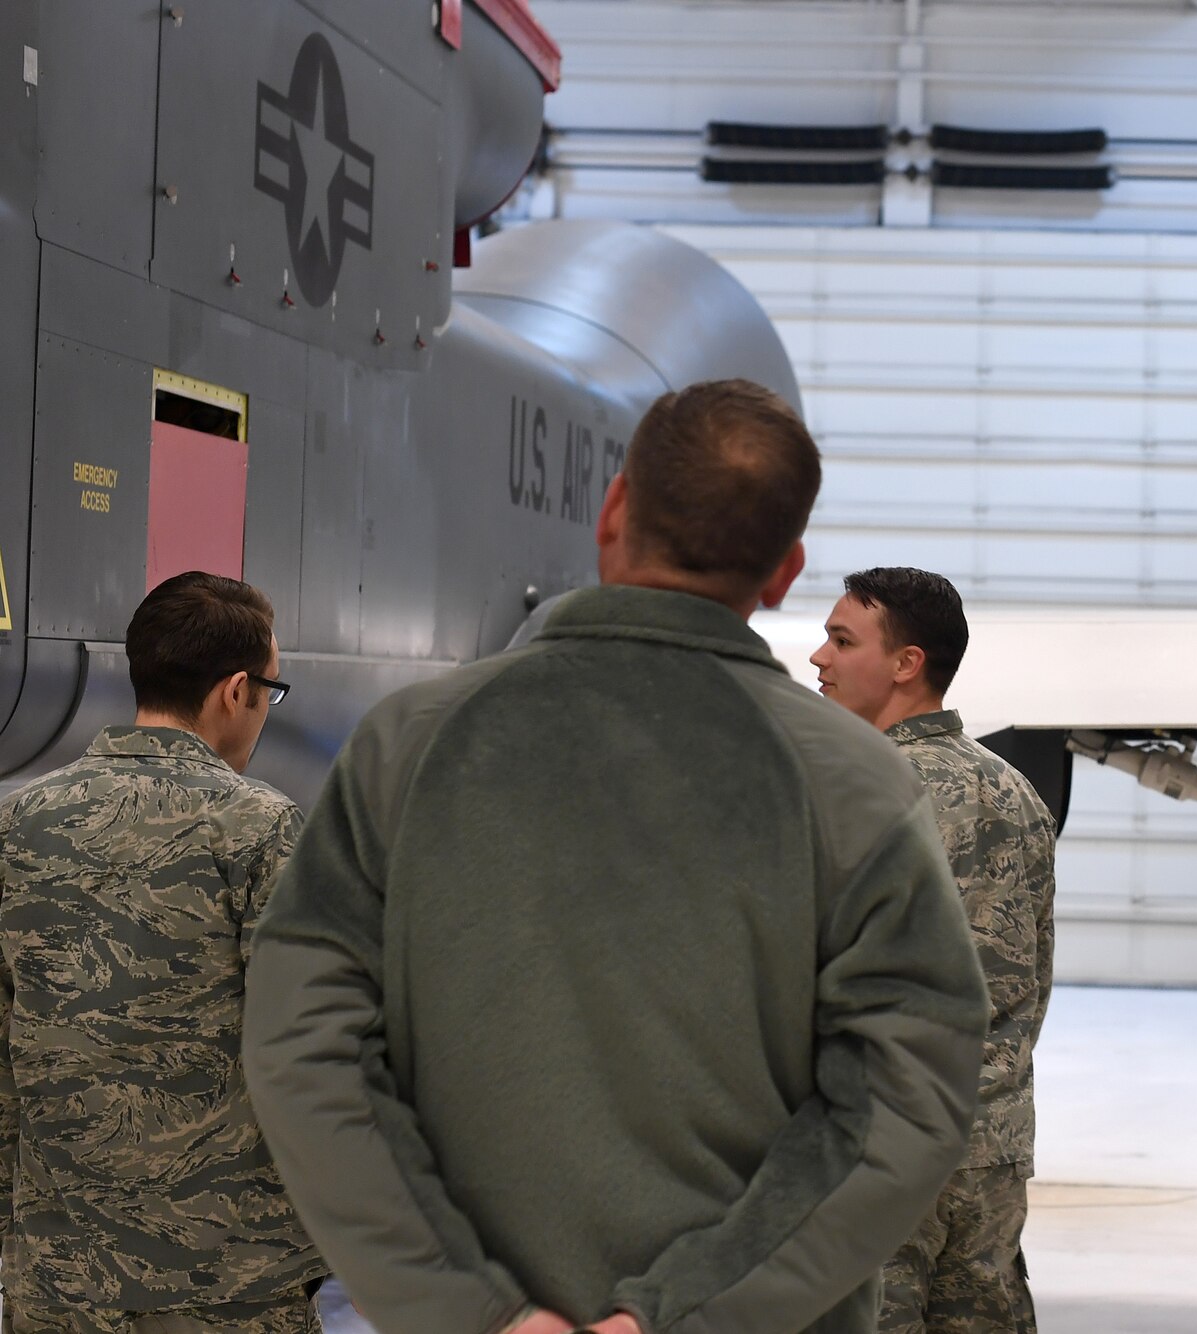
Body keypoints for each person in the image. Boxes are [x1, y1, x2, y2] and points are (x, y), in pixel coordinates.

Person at [241, 381, 990, 1334]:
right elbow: (905, 1104)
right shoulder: (858, 787)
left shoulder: (410, 745)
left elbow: (303, 1046)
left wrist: (467, 1307)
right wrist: (679, 1313)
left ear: (613, 512)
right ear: (785, 570)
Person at [0, 572, 324, 1334]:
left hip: (55, 1282)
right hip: (224, 1288)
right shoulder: (261, 829)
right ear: (236, 690)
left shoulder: (22, 820)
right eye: (269, 693)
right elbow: (311, 1051)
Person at [810, 568, 1056, 1334]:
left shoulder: (856, 790)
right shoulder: (1015, 791)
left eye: (842, 639)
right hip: (992, 1155)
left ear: (906, 663)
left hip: (882, 1153)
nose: (819, 657)